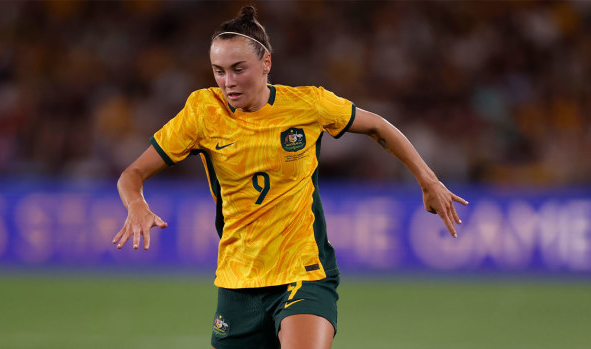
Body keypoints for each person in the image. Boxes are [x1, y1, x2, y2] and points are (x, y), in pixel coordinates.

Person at [112, 6, 468, 349]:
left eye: (239, 69)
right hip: (239, 278)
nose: (228, 82)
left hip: (304, 272)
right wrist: (137, 203)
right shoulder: (202, 113)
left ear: (266, 63)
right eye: (218, 71)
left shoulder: (307, 105)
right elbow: (132, 174)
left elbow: (377, 125)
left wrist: (428, 180)